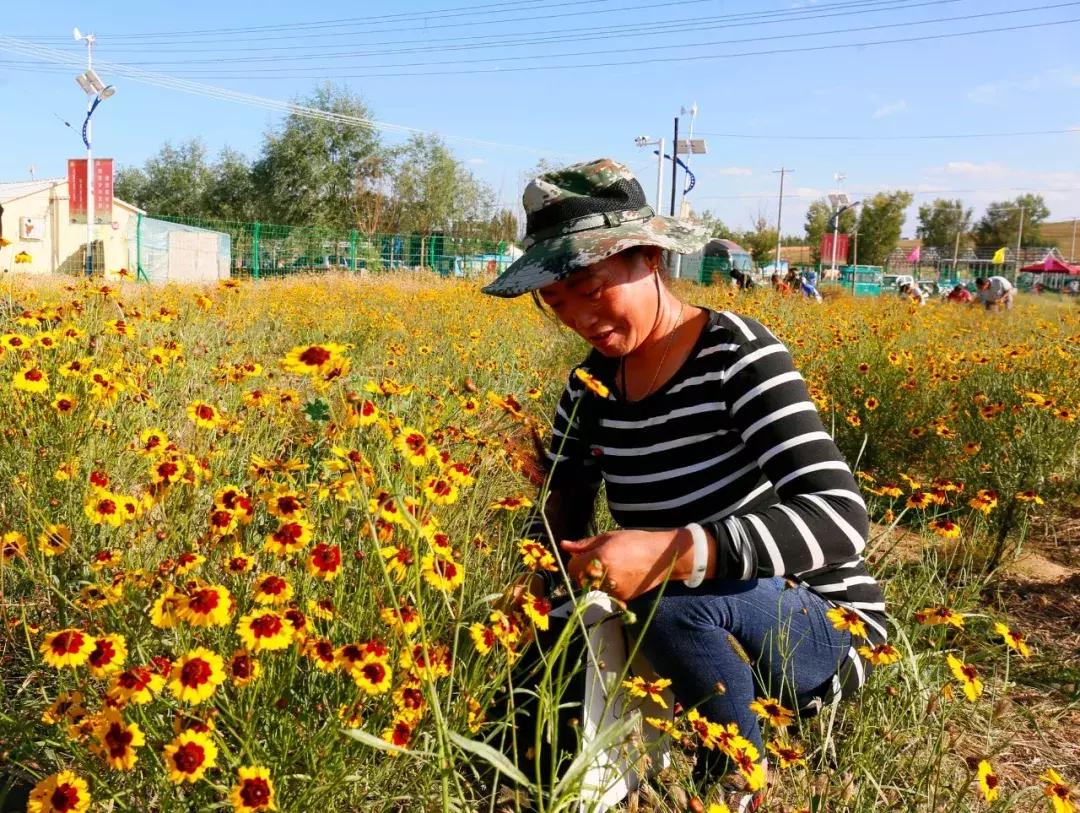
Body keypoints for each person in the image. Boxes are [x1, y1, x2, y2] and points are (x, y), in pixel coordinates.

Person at [482, 159, 885, 808]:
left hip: (816, 623)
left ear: (647, 257)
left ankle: (736, 778)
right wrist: (536, 585)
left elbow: (841, 517)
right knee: (528, 695)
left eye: (590, 287)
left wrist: (675, 551)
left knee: (669, 598)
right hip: (677, 615)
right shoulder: (591, 390)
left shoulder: (737, 354)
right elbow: (561, 519)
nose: (578, 317)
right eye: (556, 302)